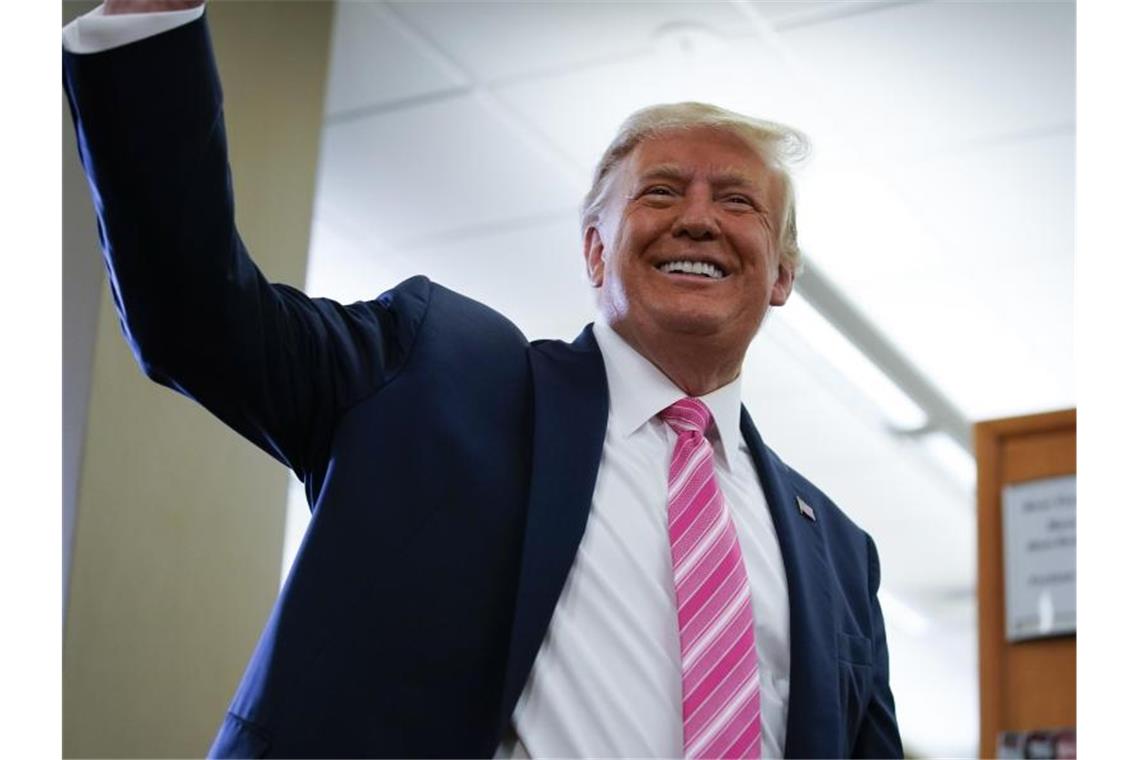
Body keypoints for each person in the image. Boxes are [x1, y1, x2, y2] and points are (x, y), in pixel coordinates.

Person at [63, 3, 902, 758]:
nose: (697, 217)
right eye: (659, 191)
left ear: (783, 272)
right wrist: (152, 18)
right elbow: (196, 320)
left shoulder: (838, 551)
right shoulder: (436, 374)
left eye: (739, 202)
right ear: (594, 249)